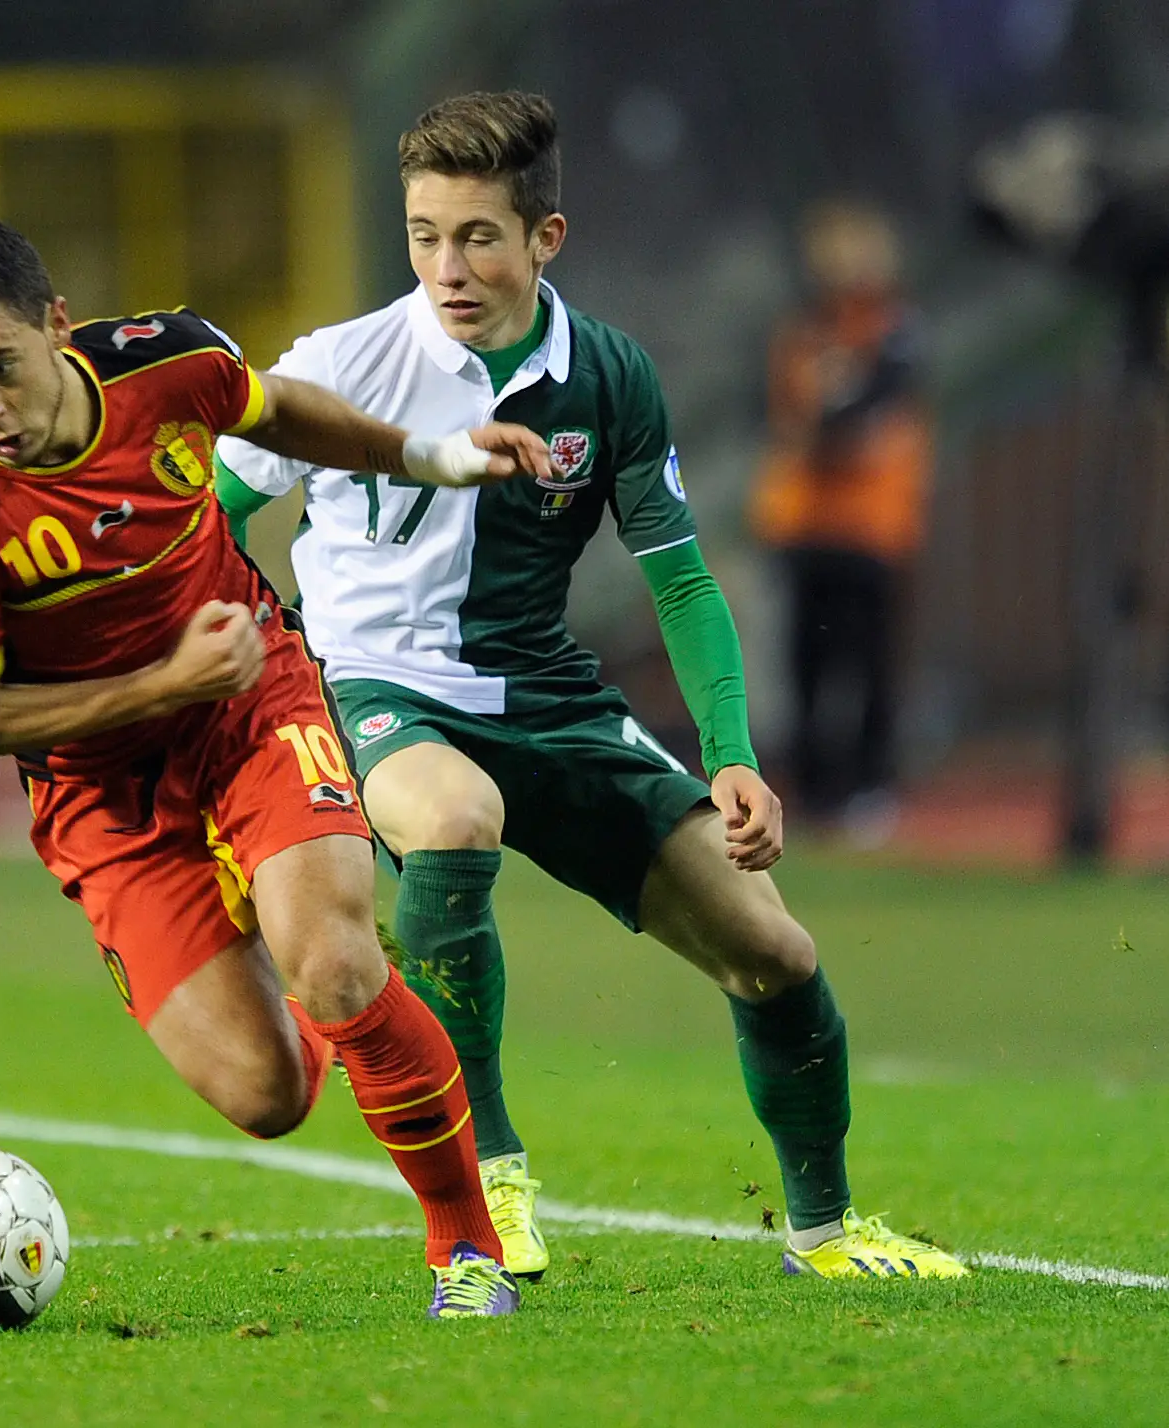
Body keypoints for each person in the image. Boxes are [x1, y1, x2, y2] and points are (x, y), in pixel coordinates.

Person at [213, 91, 967, 1282]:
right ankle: (493, 1186)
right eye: (423, 234)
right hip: (374, 686)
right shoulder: (339, 367)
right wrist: (243, 669)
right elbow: (202, 515)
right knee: (457, 821)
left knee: (775, 955)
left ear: (543, 239)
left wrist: (731, 750)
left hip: (548, 696)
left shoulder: (608, 377)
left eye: (476, 237)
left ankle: (823, 1231)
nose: (446, 267)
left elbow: (680, 578)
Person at [0, 218, 556, 1317]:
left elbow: (279, 412)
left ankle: (466, 1254)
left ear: (59, 327)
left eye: (0, 366)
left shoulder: (167, 362)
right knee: (268, 1096)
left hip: (248, 703)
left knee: (335, 966)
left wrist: (429, 455)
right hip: (100, 796)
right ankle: (288, 924)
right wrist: (156, 687)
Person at [750, 200, 932, 838]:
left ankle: (870, 787)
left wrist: (835, 410)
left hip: (873, 525)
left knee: (869, 662)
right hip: (804, 523)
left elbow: (863, 409)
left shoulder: (895, 331)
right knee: (806, 663)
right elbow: (794, 415)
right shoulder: (801, 332)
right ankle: (815, 792)